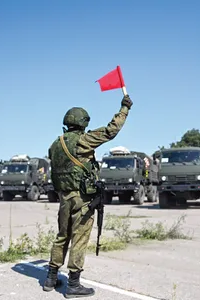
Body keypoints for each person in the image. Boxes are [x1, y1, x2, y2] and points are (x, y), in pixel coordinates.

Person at [43, 94, 133, 298]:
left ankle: (50, 278)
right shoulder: (83, 140)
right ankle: (73, 285)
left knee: (62, 236)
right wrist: (124, 108)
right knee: (80, 238)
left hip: (63, 197)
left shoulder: (55, 144)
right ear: (83, 123)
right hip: (81, 198)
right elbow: (111, 131)